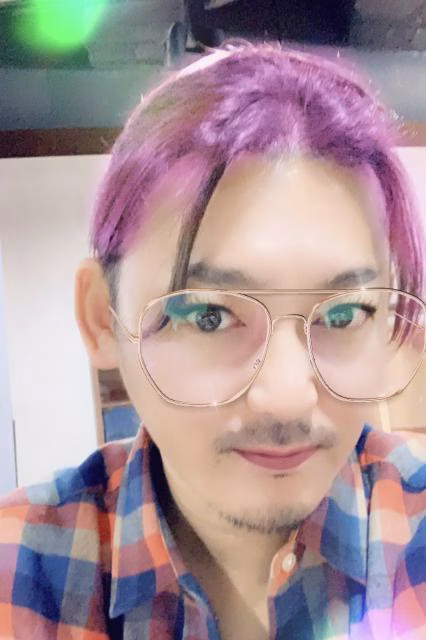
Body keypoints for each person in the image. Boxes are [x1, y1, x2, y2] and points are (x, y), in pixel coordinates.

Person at [0, 43, 425, 640]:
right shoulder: (20, 569)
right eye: (207, 316)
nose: (287, 399)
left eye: (343, 313)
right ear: (101, 318)